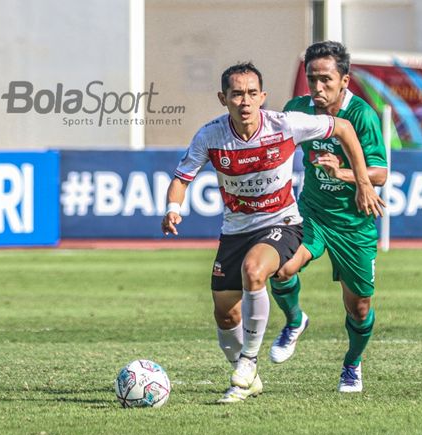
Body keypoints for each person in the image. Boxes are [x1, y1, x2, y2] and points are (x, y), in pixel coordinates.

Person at [160, 62, 382, 403]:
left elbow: (343, 129)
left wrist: (362, 180)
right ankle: (248, 378)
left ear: (263, 96)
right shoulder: (210, 135)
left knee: (256, 270)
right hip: (236, 230)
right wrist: (173, 209)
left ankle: (249, 360)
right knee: (225, 312)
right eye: (236, 94)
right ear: (224, 98)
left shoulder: (284, 124)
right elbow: (181, 178)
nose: (245, 102)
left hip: (282, 223)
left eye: (252, 94)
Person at [269, 41, 388, 393]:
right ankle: (295, 321)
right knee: (282, 268)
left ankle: (352, 364)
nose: (317, 88)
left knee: (359, 308)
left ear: (345, 81)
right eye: (311, 79)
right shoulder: (297, 109)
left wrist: (346, 175)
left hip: (353, 225)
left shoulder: (362, 116)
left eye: (325, 80)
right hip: (312, 212)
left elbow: (379, 174)